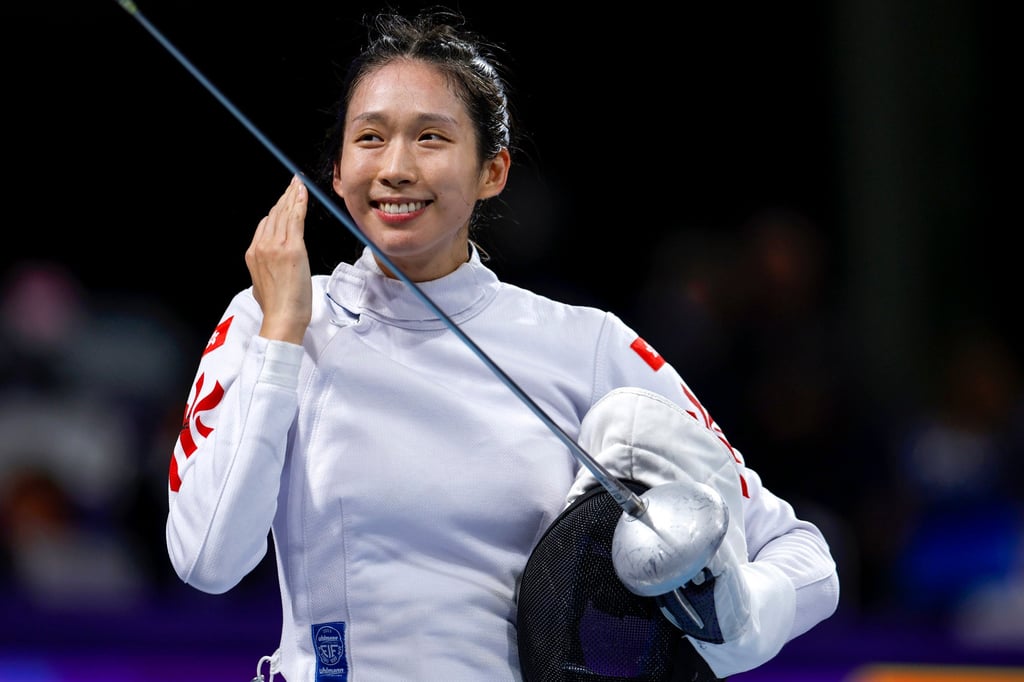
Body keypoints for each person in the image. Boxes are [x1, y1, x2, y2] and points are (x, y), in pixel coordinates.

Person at [164, 7, 840, 681]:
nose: (395, 167)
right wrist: (280, 341)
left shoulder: (588, 347)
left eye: (430, 138)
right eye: (370, 138)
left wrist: (731, 609)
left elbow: (803, 557)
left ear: (493, 171)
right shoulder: (270, 317)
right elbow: (208, 562)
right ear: (337, 172)